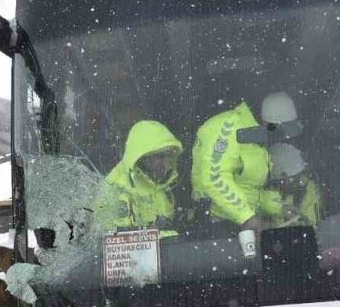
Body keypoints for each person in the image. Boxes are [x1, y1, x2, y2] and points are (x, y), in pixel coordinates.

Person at [192, 92, 318, 235]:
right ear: (270, 123)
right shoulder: (228, 127)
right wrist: (247, 216)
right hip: (217, 226)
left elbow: (247, 188)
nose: (280, 137)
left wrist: (277, 208)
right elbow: (214, 177)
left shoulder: (258, 135)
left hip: (241, 226)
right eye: (278, 130)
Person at [92, 120, 183, 236]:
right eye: (160, 156)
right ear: (142, 156)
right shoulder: (116, 188)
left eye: (169, 156)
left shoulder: (162, 186)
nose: (165, 163)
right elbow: (115, 239)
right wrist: (170, 236)